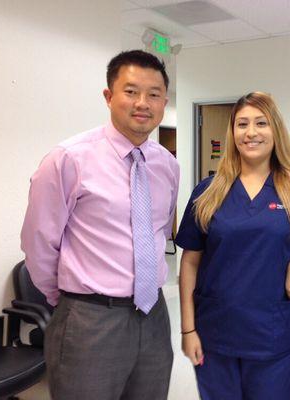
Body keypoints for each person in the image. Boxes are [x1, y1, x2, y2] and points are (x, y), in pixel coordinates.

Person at [21, 50, 179, 400]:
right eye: (131, 91)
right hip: (90, 319)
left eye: (154, 94)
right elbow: (38, 243)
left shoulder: (167, 165)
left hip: (153, 315)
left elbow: (160, 230)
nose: (143, 103)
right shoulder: (68, 159)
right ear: (109, 96)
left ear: (164, 102)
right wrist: (73, 301)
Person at [175, 92, 290, 400]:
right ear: (232, 133)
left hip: (274, 336)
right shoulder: (208, 191)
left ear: (275, 131)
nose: (251, 132)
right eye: (242, 124)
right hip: (216, 334)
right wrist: (188, 330)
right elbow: (190, 262)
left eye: (261, 123)